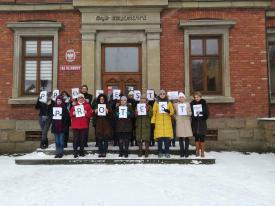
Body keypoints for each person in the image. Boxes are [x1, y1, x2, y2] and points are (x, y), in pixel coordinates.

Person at [151, 90, 175, 158]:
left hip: (167, 123)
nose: (162, 95)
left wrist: (169, 111)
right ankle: (160, 152)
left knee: (167, 140)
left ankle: (167, 152)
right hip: (159, 122)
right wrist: (153, 121)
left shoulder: (169, 102)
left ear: (165, 94)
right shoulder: (156, 103)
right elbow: (154, 113)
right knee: (160, 140)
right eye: (161, 94)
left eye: (163, 94)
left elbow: (172, 112)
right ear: (159, 95)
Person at [70, 93, 93, 158]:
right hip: (76, 125)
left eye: (81, 98)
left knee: (83, 139)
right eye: (79, 98)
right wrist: (73, 113)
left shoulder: (87, 105)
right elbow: (70, 114)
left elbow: (90, 114)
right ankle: (75, 151)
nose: (80, 99)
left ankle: (81, 151)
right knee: (76, 139)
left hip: (84, 125)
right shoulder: (74, 105)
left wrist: (86, 113)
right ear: (77, 99)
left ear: (83, 99)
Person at [173, 92, 193, 157]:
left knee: (187, 137)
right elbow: (173, 112)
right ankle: (181, 151)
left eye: (182, 97)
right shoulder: (175, 105)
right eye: (180, 97)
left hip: (186, 120)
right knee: (180, 137)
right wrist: (176, 117)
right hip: (180, 121)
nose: (181, 98)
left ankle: (186, 151)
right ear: (178, 98)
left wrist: (187, 113)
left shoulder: (187, 104)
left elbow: (190, 112)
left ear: (184, 98)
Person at [190, 91, 209, 158]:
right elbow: (191, 113)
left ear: (200, 97)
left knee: (202, 137)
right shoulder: (192, 104)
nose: (196, 98)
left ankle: (202, 152)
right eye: (195, 97)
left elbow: (207, 114)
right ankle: (197, 151)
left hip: (202, 122)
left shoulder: (204, 103)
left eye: (198, 97)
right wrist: (194, 116)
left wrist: (202, 114)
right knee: (196, 137)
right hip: (195, 122)